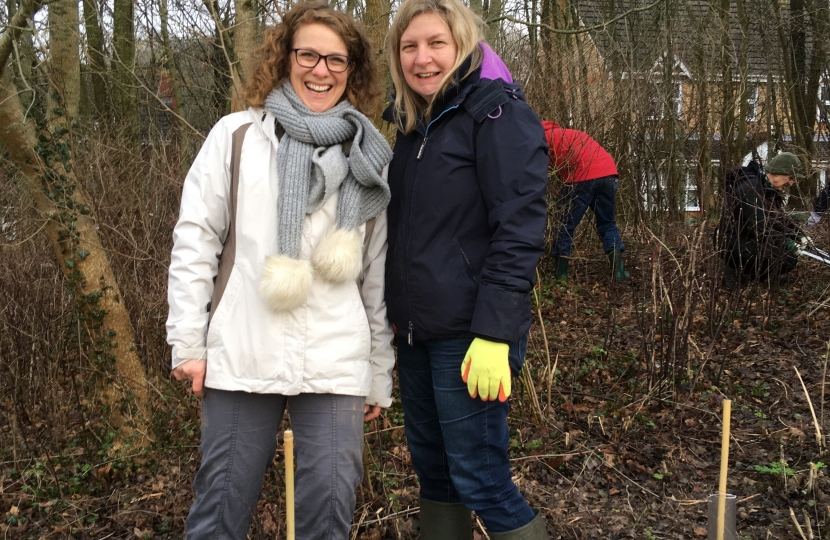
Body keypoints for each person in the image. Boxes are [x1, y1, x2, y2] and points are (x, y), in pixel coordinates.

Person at [166, 2, 395, 538]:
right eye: (308, 55)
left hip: (336, 359)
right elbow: (195, 240)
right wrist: (189, 343)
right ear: (284, 57)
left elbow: (375, 273)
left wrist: (378, 372)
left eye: (336, 60)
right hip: (245, 349)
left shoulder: (370, 156)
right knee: (220, 508)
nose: (321, 70)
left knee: (330, 510)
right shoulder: (237, 137)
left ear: (352, 70)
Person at [382, 0, 549, 538]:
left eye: (436, 43)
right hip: (416, 334)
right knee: (435, 476)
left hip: (470, 334)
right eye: (409, 46)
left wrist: (496, 334)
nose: (422, 58)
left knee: (480, 478)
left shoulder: (495, 113)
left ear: (462, 46)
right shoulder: (413, 127)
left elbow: (520, 227)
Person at [541, 120, 629, 282]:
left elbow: (542, 171)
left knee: (564, 225)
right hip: (609, 173)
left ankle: (560, 274)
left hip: (584, 176)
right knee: (607, 223)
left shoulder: (541, 139)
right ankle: (619, 271)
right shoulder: (571, 133)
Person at [716, 151, 804, 289]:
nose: (791, 183)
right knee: (788, 259)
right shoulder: (752, 188)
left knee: (786, 255)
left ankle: (757, 273)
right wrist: (786, 241)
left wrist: (797, 234)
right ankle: (735, 270)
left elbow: (776, 219)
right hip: (734, 243)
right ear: (777, 173)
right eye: (790, 177)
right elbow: (760, 228)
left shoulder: (767, 189)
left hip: (748, 238)